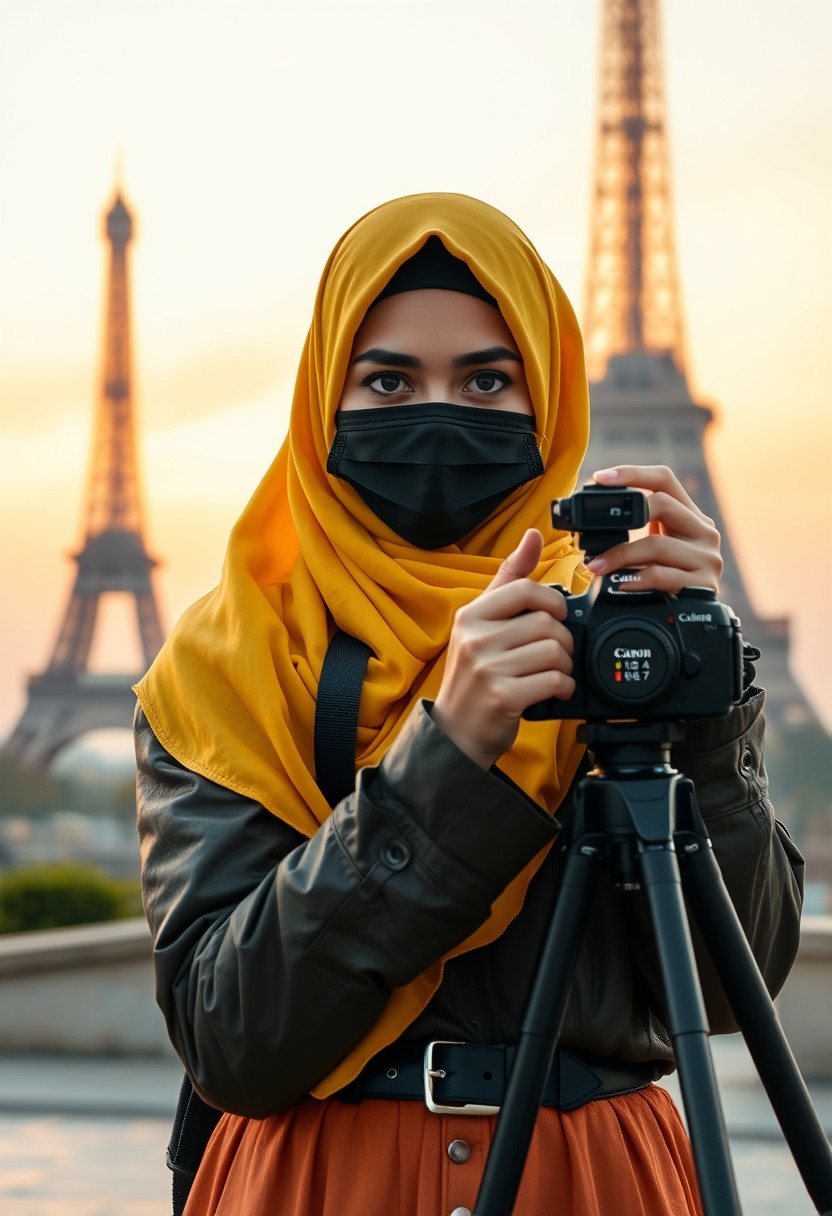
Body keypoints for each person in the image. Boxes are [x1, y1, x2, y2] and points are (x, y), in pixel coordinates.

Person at [135, 193, 803, 1216]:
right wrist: (446, 754)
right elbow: (232, 1035)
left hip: (589, 1181)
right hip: (317, 1182)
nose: (436, 413)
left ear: (548, 401)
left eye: (488, 379)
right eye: (388, 379)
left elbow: (727, 990)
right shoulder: (226, 667)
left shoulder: (616, 638)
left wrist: (697, 695)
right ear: (323, 401)